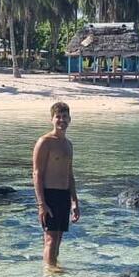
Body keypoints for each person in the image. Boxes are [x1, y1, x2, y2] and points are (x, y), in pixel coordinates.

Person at [32, 100, 80, 267]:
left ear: (70, 119)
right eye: (58, 117)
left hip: (63, 195)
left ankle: (53, 270)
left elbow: (70, 174)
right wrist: (41, 204)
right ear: (51, 119)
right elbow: (37, 173)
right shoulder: (45, 142)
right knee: (50, 239)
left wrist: (74, 201)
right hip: (49, 194)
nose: (62, 120)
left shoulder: (68, 145)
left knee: (58, 238)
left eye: (65, 117)